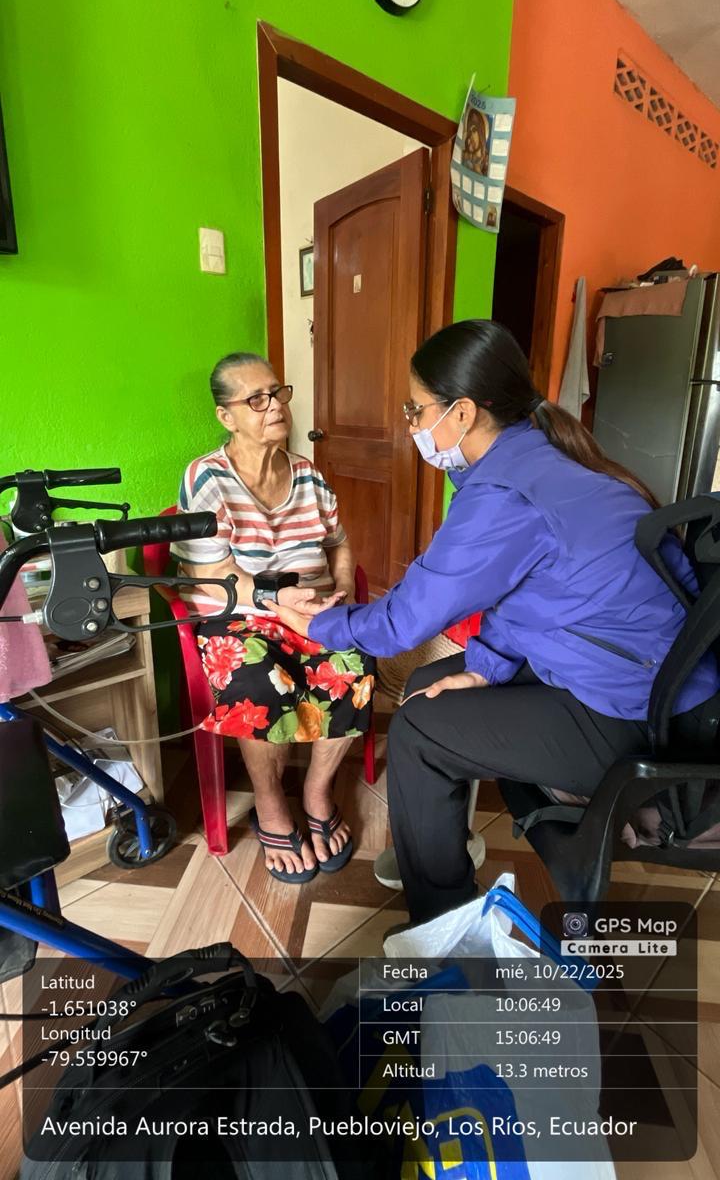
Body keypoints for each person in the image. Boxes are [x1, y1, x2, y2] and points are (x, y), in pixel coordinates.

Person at [269, 320, 720, 925]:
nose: (410, 424)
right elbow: (530, 596)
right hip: (641, 676)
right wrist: (483, 668)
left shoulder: (506, 494)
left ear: (461, 413)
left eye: (415, 409)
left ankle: (443, 921)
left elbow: (402, 623)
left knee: (418, 731)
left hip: (639, 715)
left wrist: (317, 625)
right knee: (433, 686)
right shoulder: (542, 458)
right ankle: (435, 846)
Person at [172, 352, 375, 885]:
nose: (275, 407)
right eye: (256, 400)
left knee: (355, 661)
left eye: (277, 393)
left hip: (313, 607)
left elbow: (339, 543)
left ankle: (317, 791)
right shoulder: (207, 477)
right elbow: (213, 573)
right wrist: (281, 604)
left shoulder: (308, 474)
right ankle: (269, 802)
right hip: (240, 615)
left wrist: (343, 590)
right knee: (259, 681)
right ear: (226, 416)